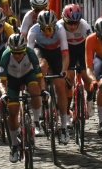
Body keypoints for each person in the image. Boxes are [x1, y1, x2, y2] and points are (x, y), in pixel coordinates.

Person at [0, 33, 45, 163]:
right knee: (13, 112)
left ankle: (36, 121)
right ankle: (14, 145)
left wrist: (43, 90)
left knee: (35, 90)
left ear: (25, 50)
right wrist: (4, 93)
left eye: (20, 53)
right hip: (12, 80)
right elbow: (1, 82)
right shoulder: (6, 56)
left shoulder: (30, 53)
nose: (17, 55)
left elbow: (39, 76)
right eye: (14, 53)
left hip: (27, 75)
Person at [27, 9, 70, 143]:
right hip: (40, 51)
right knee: (42, 65)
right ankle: (38, 116)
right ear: (39, 27)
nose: (47, 32)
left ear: (54, 26)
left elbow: (65, 54)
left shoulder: (60, 30)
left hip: (56, 52)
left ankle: (63, 126)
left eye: (50, 29)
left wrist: (63, 70)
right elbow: (29, 53)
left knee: (60, 86)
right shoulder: (33, 31)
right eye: (44, 29)